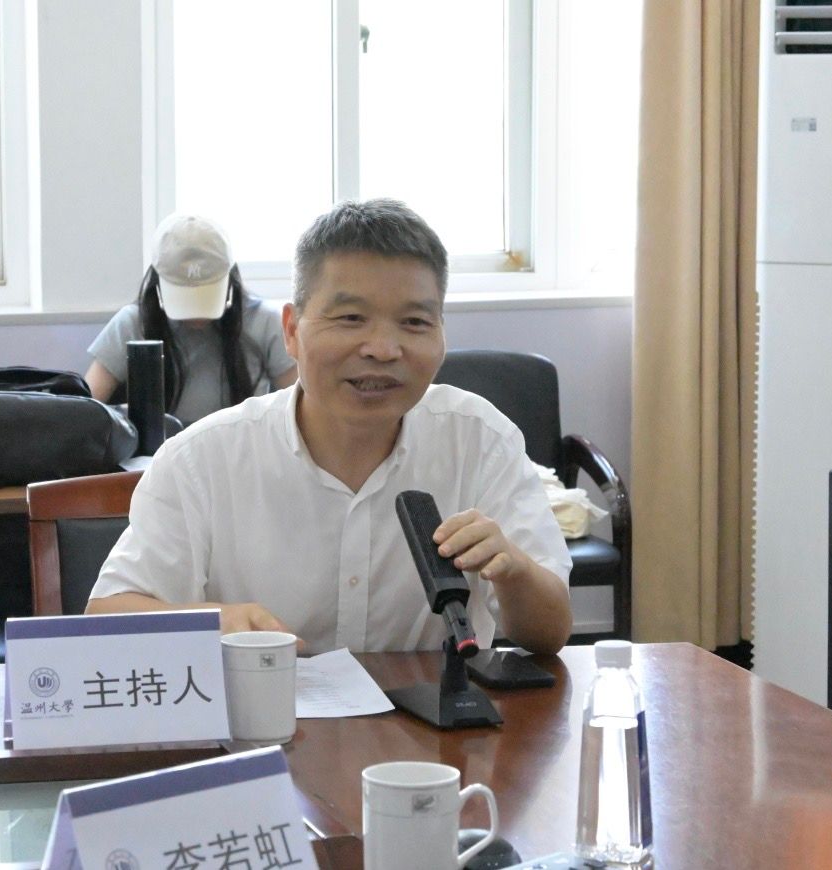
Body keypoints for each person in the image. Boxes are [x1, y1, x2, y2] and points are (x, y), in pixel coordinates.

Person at [87, 199, 573, 655]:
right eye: (351, 318)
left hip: (436, 718)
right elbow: (107, 617)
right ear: (292, 331)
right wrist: (215, 621)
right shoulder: (202, 459)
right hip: (263, 709)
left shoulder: (480, 440)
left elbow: (550, 634)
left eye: (414, 323)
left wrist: (514, 572)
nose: (383, 349)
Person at [85, 213, 297, 425]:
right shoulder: (132, 323)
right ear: (158, 284)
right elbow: (85, 410)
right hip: (160, 445)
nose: (196, 316)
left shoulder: (265, 322)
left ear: (230, 279)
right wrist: (122, 414)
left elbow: (301, 407)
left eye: (206, 295)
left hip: (244, 443)